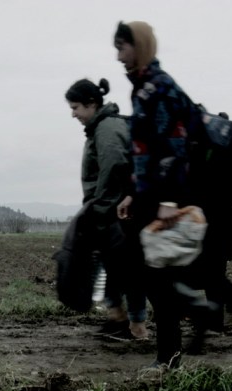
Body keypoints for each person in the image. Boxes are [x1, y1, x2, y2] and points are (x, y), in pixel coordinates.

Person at [113, 20, 229, 367]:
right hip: (150, 193)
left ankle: (170, 355)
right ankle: (193, 313)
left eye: (122, 47)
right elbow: (143, 148)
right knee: (147, 270)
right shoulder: (144, 87)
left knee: (152, 273)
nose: (118, 56)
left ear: (141, 47)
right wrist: (133, 192)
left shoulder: (158, 86)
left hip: (166, 193)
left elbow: (173, 146)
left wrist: (166, 201)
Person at [65, 78, 149, 339]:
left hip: (116, 211)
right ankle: (119, 317)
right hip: (113, 208)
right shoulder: (102, 127)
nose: (73, 113)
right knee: (114, 265)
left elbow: (113, 170)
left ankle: (136, 327)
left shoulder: (106, 129)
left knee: (128, 268)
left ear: (92, 104)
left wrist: (99, 210)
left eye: (76, 107)